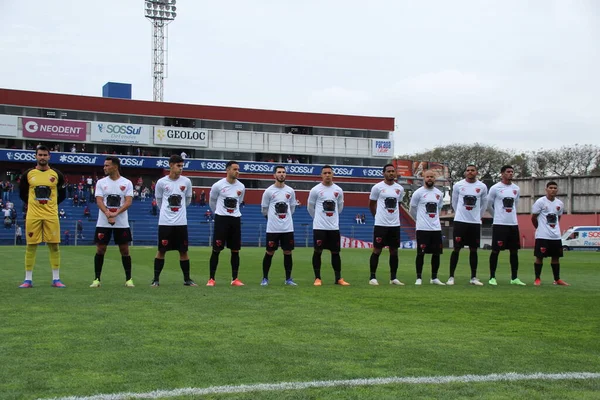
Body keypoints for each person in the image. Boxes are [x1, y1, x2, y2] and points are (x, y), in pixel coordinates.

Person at [18, 145, 67, 288]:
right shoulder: (28, 174)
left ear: (49, 156)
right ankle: (27, 280)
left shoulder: (57, 174)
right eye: (40, 155)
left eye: (45, 155)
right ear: (36, 156)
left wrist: (51, 205)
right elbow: (22, 193)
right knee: (31, 245)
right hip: (33, 215)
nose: (42, 157)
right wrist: (33, 204)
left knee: (54, 246)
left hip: (51, 215)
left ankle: (56, 279)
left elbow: (62, 194)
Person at [90, 156, 135, 288]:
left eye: (107, 165)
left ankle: (129, 279)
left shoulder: (127, 183)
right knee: (100, 249)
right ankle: (97, 279)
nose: (104, 168)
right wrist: (108, 213)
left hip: (121, 223)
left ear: (115, 166)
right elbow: (99, 200)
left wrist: (116, 213)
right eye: (104, 165)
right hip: (103, 222)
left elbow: (128, 202)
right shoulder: (101, 182)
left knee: (124, 250)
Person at [152, 154, 196, 287]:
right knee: (161, 250)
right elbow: (159, 200)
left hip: (181, 223)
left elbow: (187, 200)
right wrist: (167, 212)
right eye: (178, 166)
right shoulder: (161, 182)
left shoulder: (186, 182)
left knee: (183, 251)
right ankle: (156, 280)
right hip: (165, 222)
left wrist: (179, 211)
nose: (181, 168)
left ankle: (187, 279)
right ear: (171, 165)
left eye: (182, 166)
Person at [307, 165, 349, 286]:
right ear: (321, 175)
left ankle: (338, 278)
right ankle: (317, 278)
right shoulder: (315, 190)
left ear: (333, 174)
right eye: (325, 173)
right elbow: (310, 207)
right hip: (319, 227)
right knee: (318, 251)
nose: (327, 175)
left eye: (329, 173)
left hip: (333, 228)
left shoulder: (338, 190)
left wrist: (333, 218)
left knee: (335, 253)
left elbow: (340, 207)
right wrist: (317, 218)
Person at [447, 164, 488, 286]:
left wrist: (477, 216)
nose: (470, 172)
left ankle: (473, 277)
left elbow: (484, 205)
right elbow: (454, 202)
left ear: (477, 172)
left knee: (473, 249)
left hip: (474, 223)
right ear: (465, 172)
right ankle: (451, 277)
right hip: (460, 222)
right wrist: (460, 214)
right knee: (456, 248)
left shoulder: (482, 186)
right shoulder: (458, 185)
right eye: (468, 170)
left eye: (472, 170)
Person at [207, 161, 246, 286]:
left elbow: (239, 202)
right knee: (216, 249)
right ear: (228, 170)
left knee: (235, 250)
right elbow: (212, 201)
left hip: (235, 219)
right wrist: (219, 213)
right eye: (234, 169)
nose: (237, 171)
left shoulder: (241, 187)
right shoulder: (218, 185)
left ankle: (235, 279)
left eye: (238, 169)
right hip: (221, 219)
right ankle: (211, 279)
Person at [487, 165, 526, 286]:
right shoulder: (495, 188)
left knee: (514, 251)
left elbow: (516, 204)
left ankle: (514, 278)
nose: (510, 174)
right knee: (495, 251)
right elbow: (489, 205)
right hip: (500, 224)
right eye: (508, 172)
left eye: (512, 172)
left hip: (513, 224)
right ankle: (492, 277)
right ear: (502, 174)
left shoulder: (516, 189)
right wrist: (496, 216)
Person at [368, 163, 406, 285]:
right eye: (388, 171)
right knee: (377, 250)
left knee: (394, 251)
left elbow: (398, 204)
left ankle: (393, 278)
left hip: (394, 225)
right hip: (381, 224)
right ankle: (372, 277)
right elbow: (371, 204)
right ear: (383, 173)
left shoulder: (399, 189)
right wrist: (377, 216)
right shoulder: (377, 187)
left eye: (393, 171)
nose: (391, 173)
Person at [260, 165, 297, 286]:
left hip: (287, 228)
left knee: (288, 252)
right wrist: (272, 219)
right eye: (279, 172)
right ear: (274, 175)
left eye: (283, 172)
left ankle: (288, 279)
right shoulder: (269, 191)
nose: (282, 174)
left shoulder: (290, 191)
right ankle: (265, 278)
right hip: (273, 228)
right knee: (270, 252)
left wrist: (285, 219)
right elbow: (264, 209)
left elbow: (292, 208)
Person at [409, 170, 445, 285]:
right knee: (421, 253)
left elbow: (439, 209)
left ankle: (434, 277)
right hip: (422, 228)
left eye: (432, 177)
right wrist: (419, 220)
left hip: (435, 228)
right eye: (427, 177)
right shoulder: (418, 193)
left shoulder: (439, 193)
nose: (430, 179)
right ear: (424, 178)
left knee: (436, 253)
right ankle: (418, 277)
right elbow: (412, 209)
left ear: (435, 179)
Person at [531, 181, 570, 286]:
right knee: (539, 257)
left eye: (555, 188)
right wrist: (539, 228)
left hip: (555, 236)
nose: (553, 190)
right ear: (546, 189)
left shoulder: (560, 203)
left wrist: (554, 229)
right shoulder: (540, 202)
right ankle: (537, 279)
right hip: (542, 235)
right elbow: (533, 218)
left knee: (556, 257)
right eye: (551, 188)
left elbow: (558, 218)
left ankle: (557, 279)